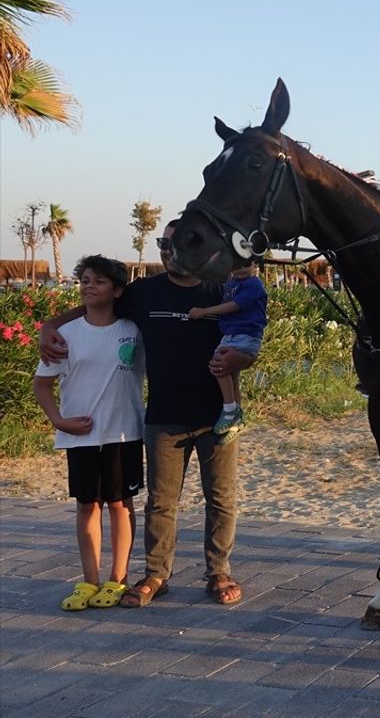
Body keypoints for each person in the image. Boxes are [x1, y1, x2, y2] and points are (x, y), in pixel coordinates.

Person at [39, 219, 255, 608]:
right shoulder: (143, 293)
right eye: (163, 243)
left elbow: (248, 339)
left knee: (221, 498)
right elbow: (96, 303)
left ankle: (219, 572)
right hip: (163, 416)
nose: (169, 251)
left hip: (216, 416)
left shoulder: (219, 290)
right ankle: (157, 573)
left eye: (179, 243)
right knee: (160, 500)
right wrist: (50, 325)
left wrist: (240, 361)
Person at [33, 256, 144, 611]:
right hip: (80, 436)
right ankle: (89, 581)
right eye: (84, 280)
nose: (88, 286)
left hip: (124, 432)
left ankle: (118, 577)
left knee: (120, 505)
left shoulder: (133, 329)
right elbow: (42, 385)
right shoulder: (65, 335)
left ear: (117, 290)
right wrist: (58, 420)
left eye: (98, 281)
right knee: (86, 506)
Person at [188, 262, 268, 438]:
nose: (240, 269)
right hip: (232, 334)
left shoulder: (253, 284)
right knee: (231, 374)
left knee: (218, 365)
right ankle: (236, 418)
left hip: (244, 334)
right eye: (235, 264)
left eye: (245, 264)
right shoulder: (231, 282)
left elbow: (234, 305)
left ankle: (229, 409)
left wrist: (204, 311)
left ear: (255, 264)